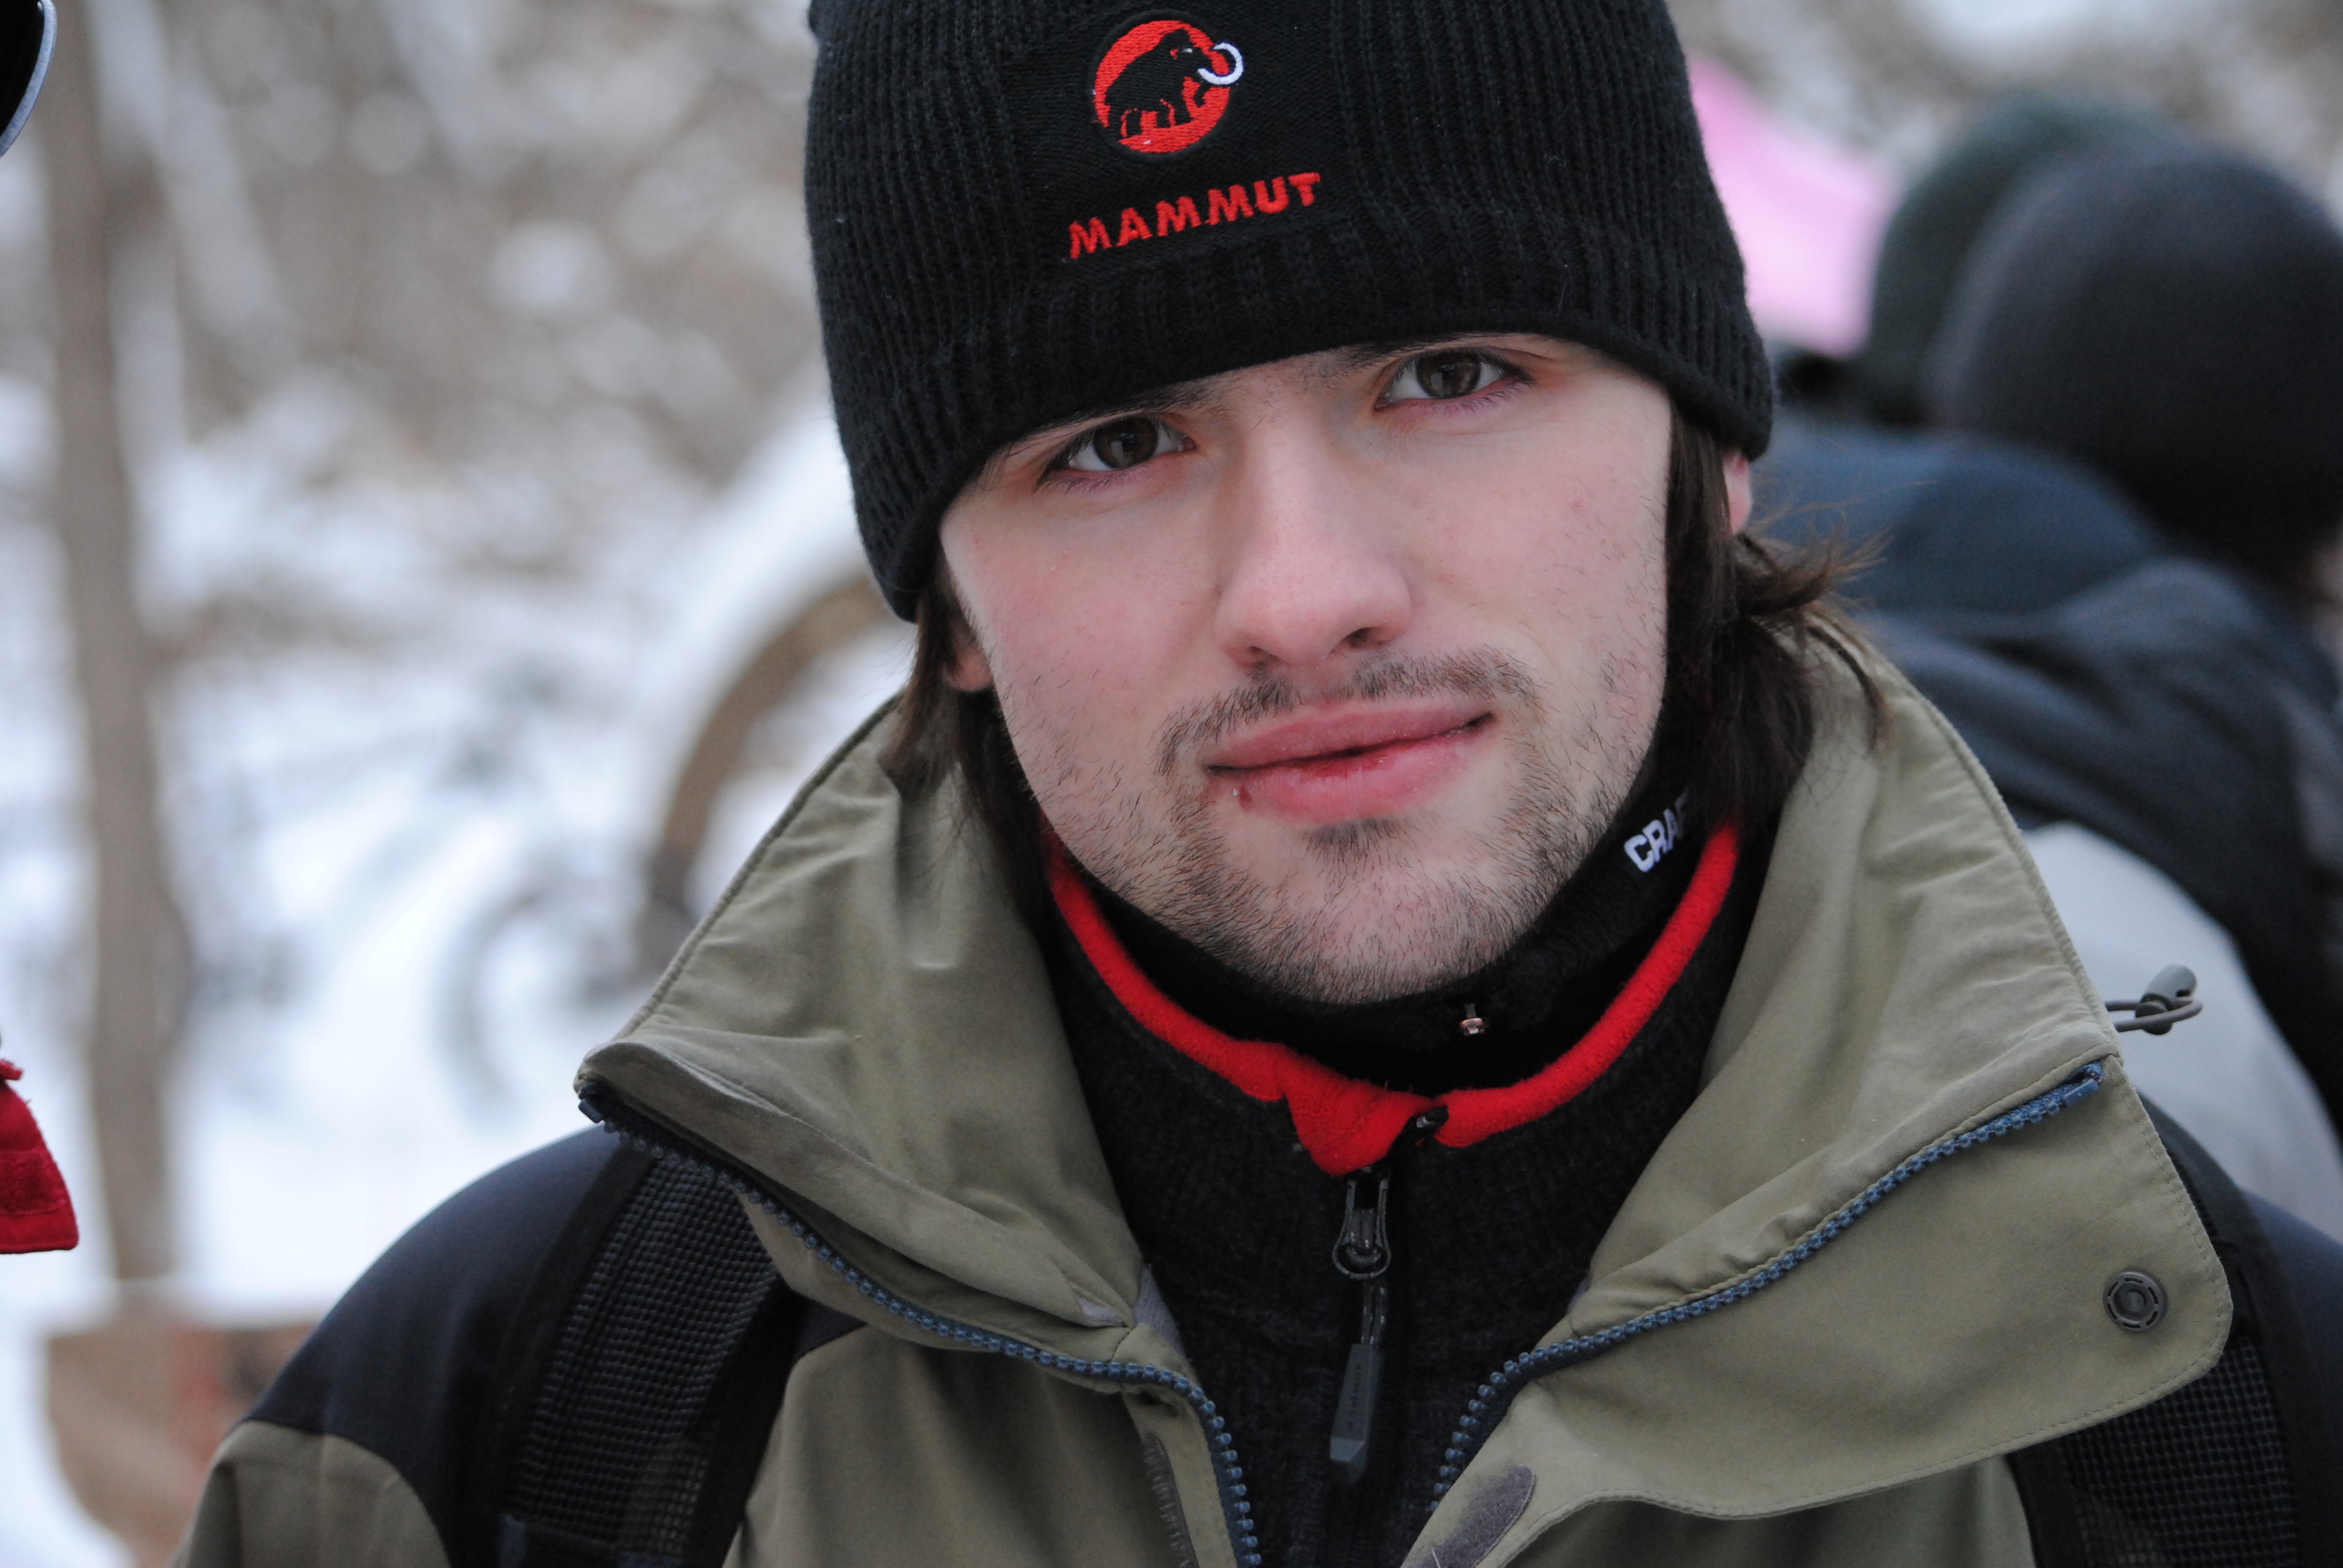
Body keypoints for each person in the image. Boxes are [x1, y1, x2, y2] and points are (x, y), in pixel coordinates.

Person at [177, 5, 2343, 1566]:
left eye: (1450, 373)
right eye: (1116, 442)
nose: (1302, 595)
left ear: (1710, 456)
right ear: (946, 600)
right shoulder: (520, 1424)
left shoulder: (2207, 1416)